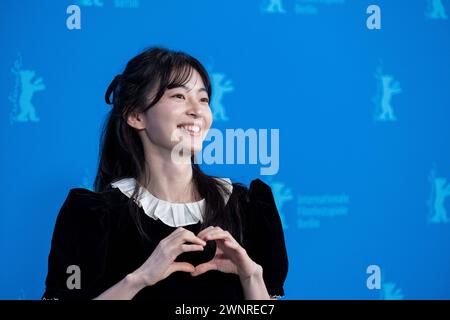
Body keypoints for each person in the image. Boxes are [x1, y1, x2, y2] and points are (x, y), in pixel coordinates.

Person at [42, 47, 288, 300]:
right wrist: (139, 279)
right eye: (179, 96)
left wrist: (251, 277)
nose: (197, 110)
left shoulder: (248, 208)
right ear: (136, 116)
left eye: (203, 99)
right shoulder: (90, 216)